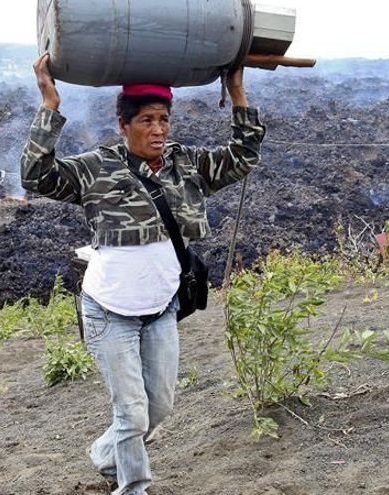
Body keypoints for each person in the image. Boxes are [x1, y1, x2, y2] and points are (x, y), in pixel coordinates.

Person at [21, 53, 266, 495]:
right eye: (147, 121)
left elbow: (243, 156)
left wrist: (236, 92)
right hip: (108, 311)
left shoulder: (185, 164)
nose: (158, 130)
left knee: (158, 407)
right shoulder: (95, 168)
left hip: (161, 309)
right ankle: (133, 486)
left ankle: (104, 452)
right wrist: (49, 104)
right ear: (124, 124)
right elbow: (36, 177)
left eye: (164, 120)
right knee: (132, 412)